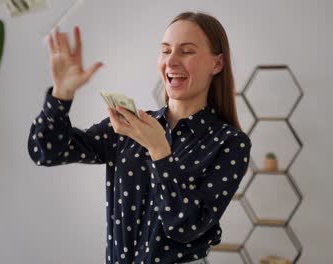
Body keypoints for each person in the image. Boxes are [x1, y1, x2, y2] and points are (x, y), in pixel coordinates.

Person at [28, 11, 252, 264]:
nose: (172, 61)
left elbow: (185, 227)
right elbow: (47, 152)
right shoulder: (130, 126)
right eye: (166, 51)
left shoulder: (230, 143)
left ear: (217, 64)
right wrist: (62, 94)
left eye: (187, 51)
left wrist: (160, 152)